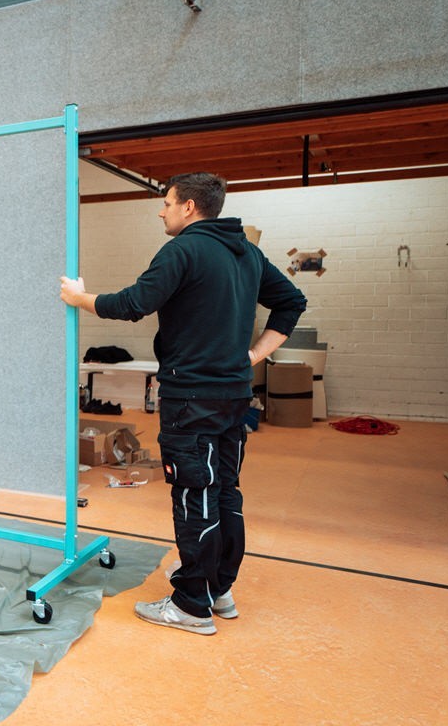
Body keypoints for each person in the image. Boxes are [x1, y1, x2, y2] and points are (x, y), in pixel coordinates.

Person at [59, 172, 306, 635]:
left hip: (192, 399)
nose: (161, 211)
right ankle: (217, 589)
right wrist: (252, 357)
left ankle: (192, 604)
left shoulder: (183, 250)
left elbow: (133, 303)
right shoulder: (247, 252)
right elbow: (292, 301)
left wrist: (79, 298)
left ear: (189, 207)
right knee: (224, 491)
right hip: (233, 396)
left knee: (195, 494)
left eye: (167, 203)